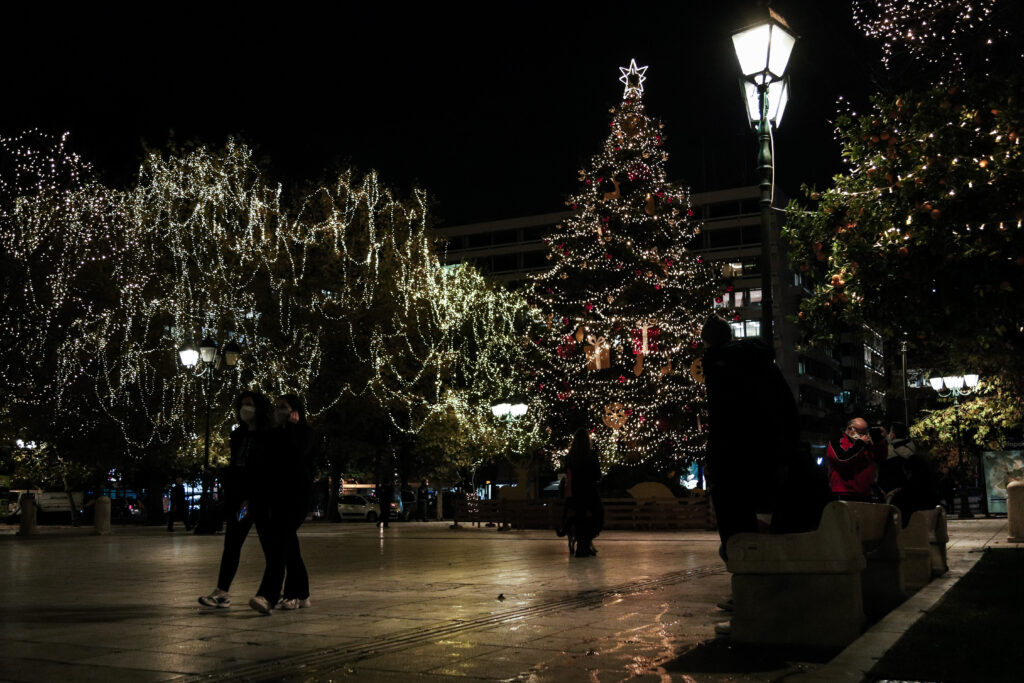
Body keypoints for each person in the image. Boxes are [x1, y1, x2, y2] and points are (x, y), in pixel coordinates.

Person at [700, 315, 803, 561]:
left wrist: (714, 460)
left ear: (708, 342)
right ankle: (761, 571)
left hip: (732, 457)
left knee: (734, 522)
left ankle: (745, 569)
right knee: (762, 519)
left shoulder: (717, 363)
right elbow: (785, 409)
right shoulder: (763, 363)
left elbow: (722, 418)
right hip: (768, 455)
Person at [198, 390, 271, 608]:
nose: (244, 408)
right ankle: (222, 590)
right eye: (242, 404)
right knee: (232, 542)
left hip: (262, 499)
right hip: (241, 502)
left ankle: (272, 592)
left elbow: (264, 469)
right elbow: (236, 466)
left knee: (271, 547)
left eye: (249, 404)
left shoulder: (269, 435)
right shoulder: (238, 434)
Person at [249, 394, 314, 614]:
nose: (279, 410)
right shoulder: (272, 434)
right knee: (289, 547)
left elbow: (299, 453)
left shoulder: (303, 432)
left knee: (279, 546)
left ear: (295, 410)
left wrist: (293, 427)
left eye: (284, 407)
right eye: (277, 407)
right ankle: (300, 593)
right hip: (277, 499)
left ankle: (268, 595)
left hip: (297, 498)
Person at [879, 423, 939, 526]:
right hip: (923, 528)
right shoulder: (913, 451)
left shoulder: (888, 453)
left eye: (890, 432)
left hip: (894, 493)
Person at [824, 417, 888, 501]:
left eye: (865, 431)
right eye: (861, 432)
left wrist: (880, 441)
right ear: (850, 429)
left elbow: (880, 457)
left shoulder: (866, 443)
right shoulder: (837, 442)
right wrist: (860, 444)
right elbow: (843, 459)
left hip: (865, 493)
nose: (864, 435)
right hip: (845, 494)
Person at [564, 427, 603, 558]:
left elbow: (568, 475)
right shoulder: (591, 455)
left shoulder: (570, 456)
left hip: (576, 492)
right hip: (590, 492)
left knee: (580, 518)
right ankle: (586, 544)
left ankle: (582, 546)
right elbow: (597, 475)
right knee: (597, 516)